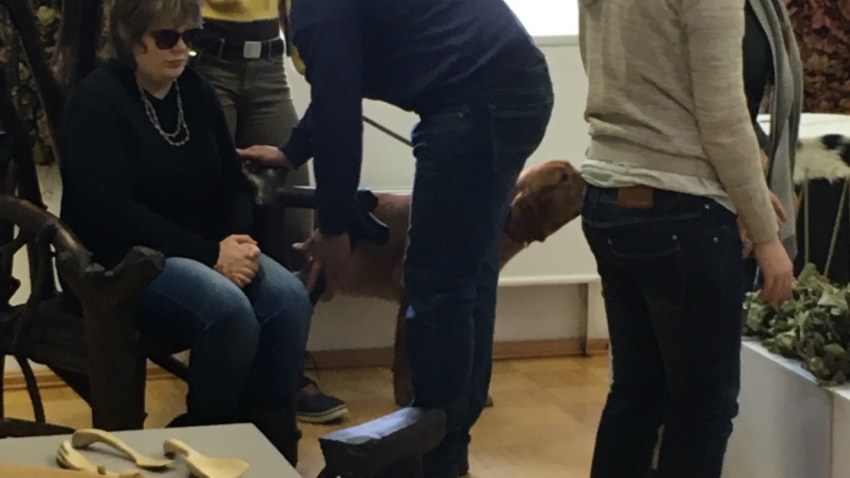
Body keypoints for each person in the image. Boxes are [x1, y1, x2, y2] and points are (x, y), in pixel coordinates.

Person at [239, 1, 554, 476]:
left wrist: (334, 227)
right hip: (506, 86)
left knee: (438, 285)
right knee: (466, 277)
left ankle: (436, 454)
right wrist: (293, 150)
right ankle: (446, 446)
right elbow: (338, 85)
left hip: (479, 100)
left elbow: (341, 112)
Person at [58, 0, 310, 466]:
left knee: (289, 299)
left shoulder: (194, 89)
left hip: (202, 250)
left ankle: (263, 440)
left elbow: (233, 182)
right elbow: (107, 214)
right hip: (124, 260)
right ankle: (206, 442)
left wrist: (236, 243)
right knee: (228, 310)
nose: (181, 50)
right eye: (166, 38)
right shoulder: (97, 100)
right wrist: (211, 253)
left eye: (190, 38)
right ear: (130, 38)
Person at [578, 0, 794, 477]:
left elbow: (633, 80)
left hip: (606, 194)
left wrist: (746, 189)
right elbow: (723, 117)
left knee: (636, 395)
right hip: (680, 211)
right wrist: (766, 235)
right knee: (702, 408)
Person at [192, 0, 349, 425]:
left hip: (269, 62)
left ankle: (284, 373)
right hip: (206, 56)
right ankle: (226, 375)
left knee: (296, 224)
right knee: (218, 215)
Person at [742, 0, 804, 287]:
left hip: (733, 173)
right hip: (688, 193)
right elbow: (713, 108)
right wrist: (753, 194)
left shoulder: (763, 6)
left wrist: (774, 170)